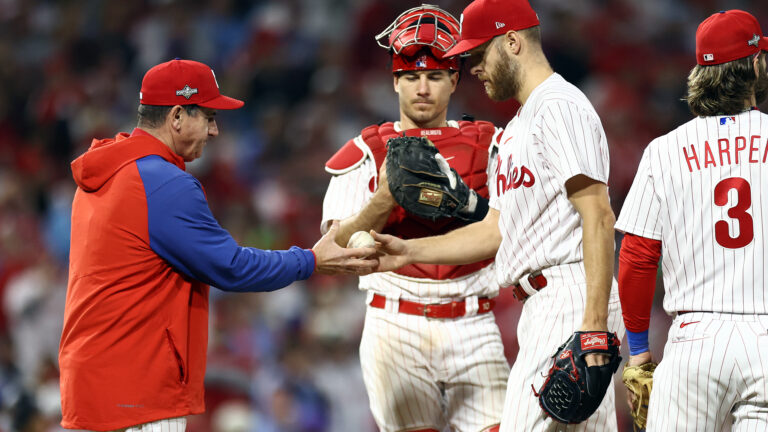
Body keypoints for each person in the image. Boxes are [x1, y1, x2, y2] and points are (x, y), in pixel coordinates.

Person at [59, 59, 377, 432]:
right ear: (176, 116)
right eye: (207, 116)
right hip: (135, 388)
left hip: (90, 380)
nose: (215, 130)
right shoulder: (161, 182)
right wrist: (310, 260)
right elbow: (231, 266)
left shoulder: (107, 171)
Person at [371, 0, 625, 430]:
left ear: (511, 42)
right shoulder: (516, 131)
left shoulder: (559, 106)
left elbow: (598, 215)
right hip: (543, 302)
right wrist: (406, 250)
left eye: (477, 53)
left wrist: (594, 327)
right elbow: (495, 230)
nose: (471, 67)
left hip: (570, 295)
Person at [320, 5, 510, 432]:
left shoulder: (493, 144)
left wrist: (465, 203)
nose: (422, 88)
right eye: (411, 77)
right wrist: (383, 199)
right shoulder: (367, 150)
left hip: (474, 321)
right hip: (394, 322)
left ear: (455, 80)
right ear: (395, 82)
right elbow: (329, 252)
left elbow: (512, 230)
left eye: (435, 76)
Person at [615, 10, 768, 431]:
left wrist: (641, 350)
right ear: (754, 65)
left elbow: (637, 257)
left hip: (694, 342)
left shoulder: (664, 150)